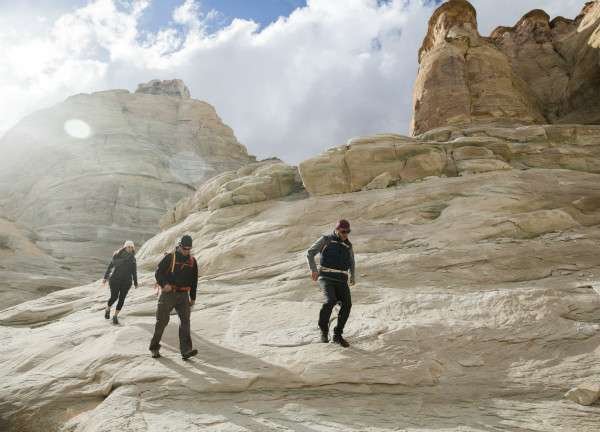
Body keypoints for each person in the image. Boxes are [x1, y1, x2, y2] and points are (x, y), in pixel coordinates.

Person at [306, 219, 355, 347]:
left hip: (341, 280)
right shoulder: (326, 240)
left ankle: (338, 334)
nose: (345, 234)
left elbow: (351, 262)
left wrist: (352, 275)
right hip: (326, 277)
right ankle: (323, 329)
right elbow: (310, 253)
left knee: (347, 304)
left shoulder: (348, 245)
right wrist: (313, 270)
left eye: (347, 232)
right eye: (343, 231)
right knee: (330, 301)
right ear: (336, 230)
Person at [149, 234, 199, 360]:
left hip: (183, 295)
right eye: (184, 248)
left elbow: (194, 281)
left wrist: (192, 298)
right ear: (180, 246)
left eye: (189, 249)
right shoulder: (170, 257)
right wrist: (164, 285)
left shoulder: (192, 260)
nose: (186, 251)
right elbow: (158, 272)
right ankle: (154, 348)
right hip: (168, 294)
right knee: (162, 321)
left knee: (185, 322)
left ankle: (186, 350)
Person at [102, 240, 138, 324]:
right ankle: (108, 309)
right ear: (125, 247)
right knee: (114, 297)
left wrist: (136, 283)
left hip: (126, 281)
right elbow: (110, 267)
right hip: (115, 279)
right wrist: (105, 277)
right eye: (129, 247)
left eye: (132, 247)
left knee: (122, 298)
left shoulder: (133, 259)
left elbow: (134, 271)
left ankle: (115, 316)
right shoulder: (117, 256)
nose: (130, 249)